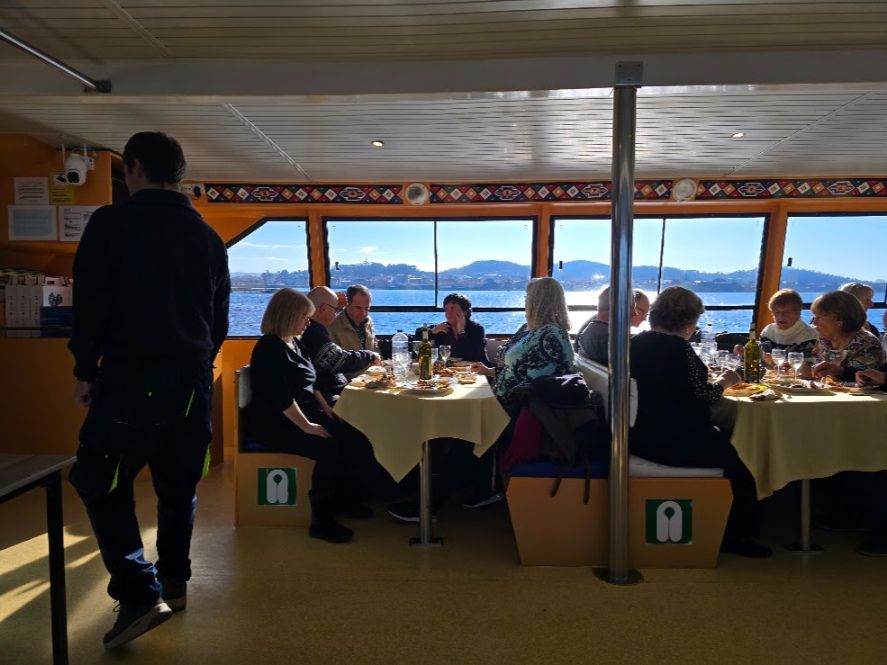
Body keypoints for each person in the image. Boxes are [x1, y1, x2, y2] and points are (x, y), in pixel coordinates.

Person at [67, 132, 231, 649]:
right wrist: (195, 369)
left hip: (132, 377)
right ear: (177, 174)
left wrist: (85, 368)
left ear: (133, 168)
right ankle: (175, 582)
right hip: (192, 382)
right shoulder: (207, 238)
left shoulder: (112, 223)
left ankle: (139, 590)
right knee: (178, 485)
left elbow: (91, 303)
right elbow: (218, 322)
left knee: (98, 478)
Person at [629, 286, 771, 558]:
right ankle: (737, 536)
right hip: (674, 442)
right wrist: (725, 382)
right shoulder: (679, 350)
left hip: (642, 435)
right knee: (747, 463)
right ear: (688, 321)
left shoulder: (635, 343)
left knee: (729, 437)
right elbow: (701, 396)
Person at [248, 289, 376, 544]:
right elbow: (280, 396)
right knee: (330, 446)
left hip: (305, 411)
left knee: (357, 433)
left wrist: (325, 408)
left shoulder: (294, 342)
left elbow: (312, 380)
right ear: (287, 316)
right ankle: (321, 518)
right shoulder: (269, 347)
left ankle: (346, 499)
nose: (308, 322)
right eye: (304, 317)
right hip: (281, 422)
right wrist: (307, 426)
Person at [473, 277, 575, 413]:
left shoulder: (550, 336)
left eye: (528, 297)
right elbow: (518, 370)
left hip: (519, 410)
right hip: (506, 401)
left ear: (538, 302)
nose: (525, 301)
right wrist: (489, 371)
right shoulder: (532, 329)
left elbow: (534, 385)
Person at [302, 286, 380, 405]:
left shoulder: (316, 330)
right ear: (323, 308)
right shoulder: (314, 332)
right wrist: (369, 355)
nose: (336, 313)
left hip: (342, 389)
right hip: (334, 394)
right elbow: (339, 360)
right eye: (335, 309)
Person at [810, 290, 885, 381]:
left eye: (819, 317)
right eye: (814, 317)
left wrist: (840, 372)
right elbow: (810, 369)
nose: (814, 322)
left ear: (839, 319)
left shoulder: (866, 343)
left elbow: (863, 378)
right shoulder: (821, 341)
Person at [576, 287, 650, 365]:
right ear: (617, 307)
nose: (635, 313)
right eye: (632, 308)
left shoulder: (593, 329)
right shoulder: (609, 339)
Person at [419, 292, 489, 362]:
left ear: (465, 311)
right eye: (446, 310)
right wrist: (433, 331)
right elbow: (418, 334)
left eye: (452, 308)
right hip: (449, 370)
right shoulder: (443, 328)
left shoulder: (476, 329)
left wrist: (461, 332)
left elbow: (472, 356)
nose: (449, 313)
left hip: (476, 370)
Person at [759, 288, 819, 358]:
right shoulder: (768, 331)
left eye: (786, 312)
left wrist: (773, 363)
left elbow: (806, 366)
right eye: (777, 312)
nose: (781, 316)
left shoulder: (809, 335)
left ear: (797, 313)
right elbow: (761, 358)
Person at [329, 284, 376, 356]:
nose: (363, 313)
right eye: (358, 308)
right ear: (347, 304)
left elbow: (375, 349)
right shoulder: (334, 326)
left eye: (367, 308)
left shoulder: (368, 321)